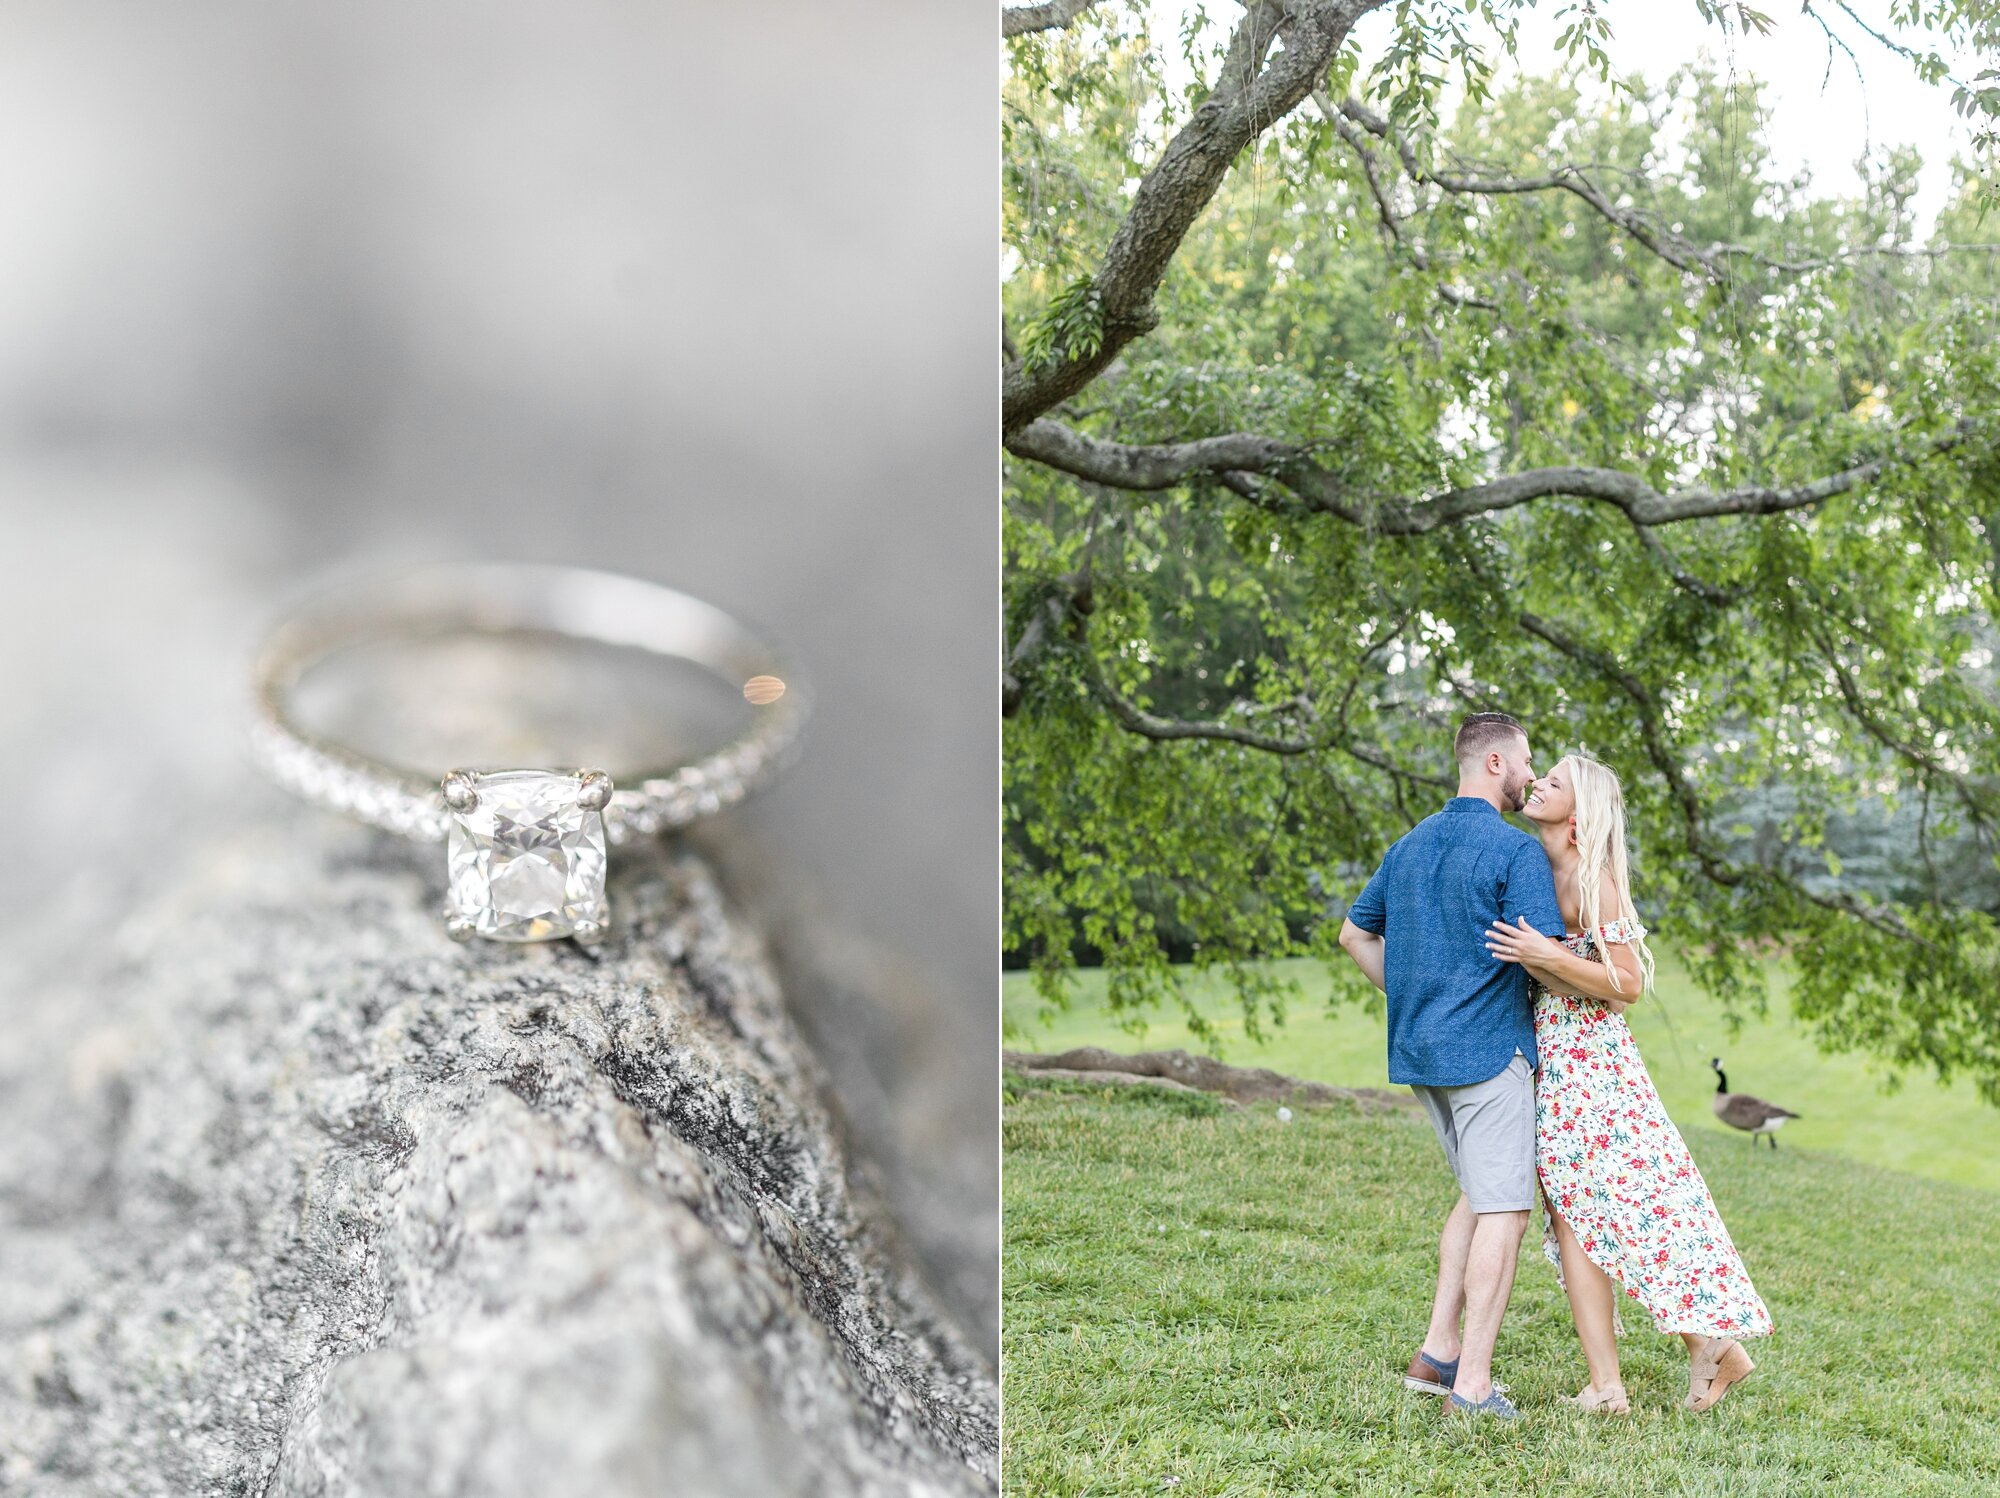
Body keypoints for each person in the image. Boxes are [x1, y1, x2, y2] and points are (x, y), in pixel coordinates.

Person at [1485, 751, 1771, 1414]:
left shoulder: (1595, 879)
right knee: (1578, 1211)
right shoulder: (1539, 868)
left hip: (1593, 1066)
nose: (1537, 783)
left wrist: (1545, 955)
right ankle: (1684, 1356)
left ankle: (1637, 1374)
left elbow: (1627, 984)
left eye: (1553, 782)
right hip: (1556, 1059)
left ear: (1578, 813)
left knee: (1601, 1209)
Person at [1338, 712, 1566, 1421]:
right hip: (1490, 1054)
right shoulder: (1514, 851)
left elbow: (1352, 934)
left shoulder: (1406, 846)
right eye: (1526, 762)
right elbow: (1549, 962)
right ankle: (1470, 1387)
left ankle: (1438, 1349)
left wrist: (1414, 995)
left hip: (1422, 1055)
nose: (1531, 775)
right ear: (1495, 764)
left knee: (1477, 1192)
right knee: (1505, 1210)